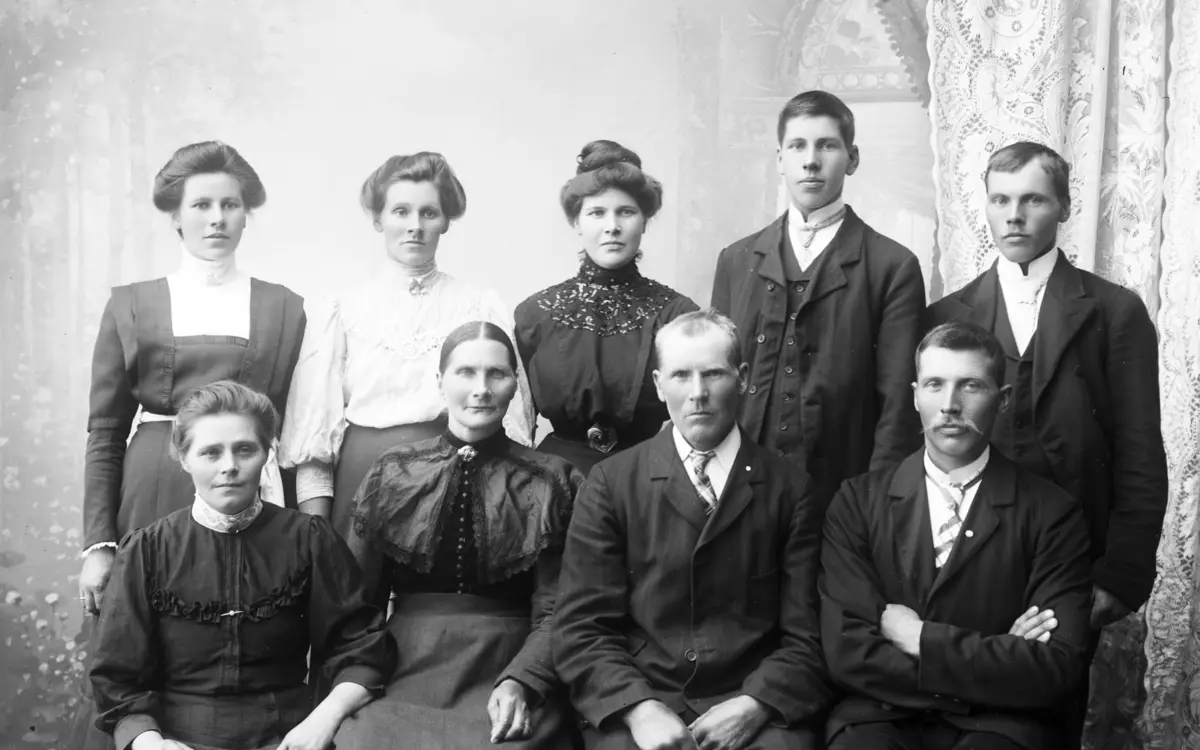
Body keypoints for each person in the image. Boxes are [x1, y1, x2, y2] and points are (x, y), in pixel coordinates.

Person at [33, 140, 308, 750]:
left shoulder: (282, 307)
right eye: (201, 205)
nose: (216, 217)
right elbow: (103, 428)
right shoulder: (133, 303)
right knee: (132, 642)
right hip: (151, 484)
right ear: (176, 217)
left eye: (229, 204)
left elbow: (291, 421)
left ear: (248, 215)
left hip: (247, 479)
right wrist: (97, 543)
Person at [923, 141, 1168, 750]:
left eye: (1032, 199)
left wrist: (1115, 582)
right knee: (976, 732)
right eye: (1001, 199)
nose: (1015, 215)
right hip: (970, 562)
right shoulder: (949, 311)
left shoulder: (1113, 312)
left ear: (1063, 207)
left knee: (1054, 739)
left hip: (1071, 568)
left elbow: (1139, 457)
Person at [552, 309, 832, 750]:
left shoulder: (789, 488)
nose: (698, 393)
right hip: (645, 693)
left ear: (744, 377)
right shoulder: (612, 483)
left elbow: (809, 634)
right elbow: (582, 626)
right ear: (659, 385)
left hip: (753, 697)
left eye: (715, 375)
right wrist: (636, 708)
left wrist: (756, 703)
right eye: (680, 376)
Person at [85, 381, 395, 750]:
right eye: (210, 452)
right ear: (183, 458)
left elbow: (360, 647)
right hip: (171, 732)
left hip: (279, 735)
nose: (229, 465)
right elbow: (117, 674)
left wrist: (322, 722)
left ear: (267, 454)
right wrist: (146, 745)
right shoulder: (148, 550)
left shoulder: (308, 539)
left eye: (245, 449)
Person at [819, 322, 1094, 750]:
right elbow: (849, 651)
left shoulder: (1050, 512)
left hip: (1003, 726)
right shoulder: (858, 503)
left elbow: (1055, 665)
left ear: (1003, 398)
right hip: (881, 714)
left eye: (971, 386)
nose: (950, 404)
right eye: (935, 385)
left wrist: (919, 637)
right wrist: (995, 658)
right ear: (914, 396)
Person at [308, 322, 582, 750]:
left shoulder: (552, 480)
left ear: (513, 387)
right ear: (440, 382)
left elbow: (558, 609)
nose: (480, 388)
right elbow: (357, 604)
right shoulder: (393, 472)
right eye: (466, 372)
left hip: (506, 665)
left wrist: (525, 681)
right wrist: (349, 689)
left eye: (496, 374)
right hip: (399, 666)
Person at [279, 152, 535, 538]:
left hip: (457, 476)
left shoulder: (478, 304)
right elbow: (314, 439)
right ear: (378, 219)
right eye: (401, 211)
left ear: (446, 221)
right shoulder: (342, 309)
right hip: (362, 478)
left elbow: (510, 424)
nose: (414, 226)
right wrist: (317, 533)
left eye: (428, 213)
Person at [711, 90, 925, 510]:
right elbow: (716, 382)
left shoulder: (891, 266)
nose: (811, 160)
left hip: (843, 494)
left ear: (853, 158)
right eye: (798, 146)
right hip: (740, 488)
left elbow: (899, 403)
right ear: (780, 160)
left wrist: (875, 502)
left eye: (827, 145)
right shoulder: (736, 261)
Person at [514, 140, 698, 474]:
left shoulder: (677, 314)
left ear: (644, 221)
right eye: (597, 212)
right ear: (576, 222)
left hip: (647, 475)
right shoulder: (534, 315)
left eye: (626, 212)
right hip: (554, 479)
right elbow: (518, 421)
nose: (612, 226)